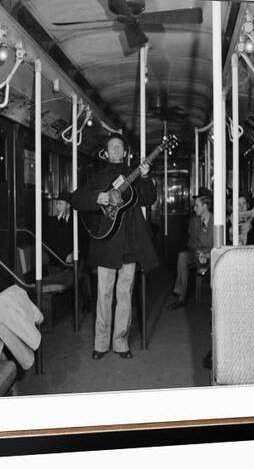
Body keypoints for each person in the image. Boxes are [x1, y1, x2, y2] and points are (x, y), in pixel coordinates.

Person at [71, 133, 159, 360]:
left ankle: (120, 342)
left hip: (130, 243)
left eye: (120, 147)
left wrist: (147, 177)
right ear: (106, 152)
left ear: (125, 151)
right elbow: (77, 199)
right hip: (106, 243)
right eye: (113, 147)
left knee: (125, 295)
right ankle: (100, 343)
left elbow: (149, 199)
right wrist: (98, 198)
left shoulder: (135, 175)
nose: (117, 150)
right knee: (104, 294)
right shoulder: (97, 177)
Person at [166, 187, 213, 311]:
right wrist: (199, 251)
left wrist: (208, 253)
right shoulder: (194, 221)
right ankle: (181, 297)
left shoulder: (216, 220)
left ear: (205, 206)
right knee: (183, 256)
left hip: (212, 255)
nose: (194, 209)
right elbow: (191, 243)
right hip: (197, 254)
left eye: (197, 206)